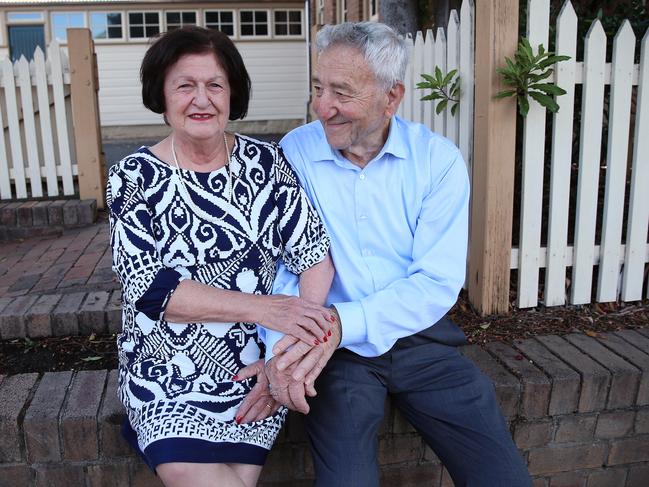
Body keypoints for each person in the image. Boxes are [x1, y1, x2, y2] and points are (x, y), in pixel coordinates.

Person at [254, 22, 532, 487]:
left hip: (420, 340)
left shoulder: (436, 161)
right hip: (334, 351)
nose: (323, 107)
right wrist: (284, 348)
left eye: (342, 92)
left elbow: (435, 282)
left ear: (391, 96)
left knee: (501, 476)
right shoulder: (294, 152)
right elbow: (282, 265)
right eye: (319, 88)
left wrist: (345, 322)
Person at [106, 26, 335, 487]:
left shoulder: (268, 163)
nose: (201, 99)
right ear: (162, 95)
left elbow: (314, 255)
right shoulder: (132, 177)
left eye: (215, 85)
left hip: (252, 366)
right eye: (184, 85)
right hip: (164, 370)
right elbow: (151, 291)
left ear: (233, 93)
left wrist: (285, 357)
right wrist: (268, 309)